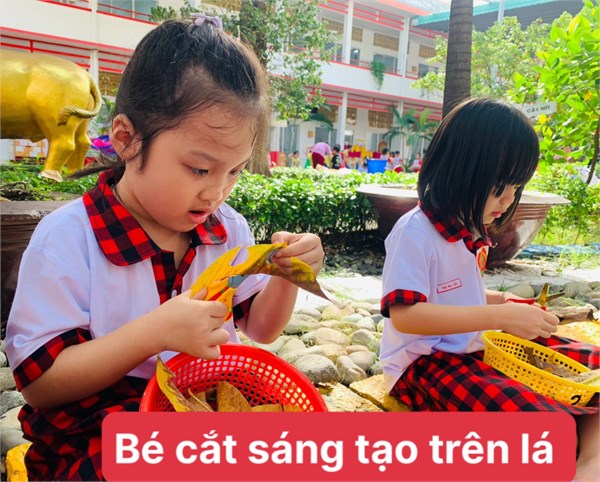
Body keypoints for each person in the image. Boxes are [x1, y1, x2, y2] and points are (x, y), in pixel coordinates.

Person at [5, 16, 324, 481]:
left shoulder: (227, 230)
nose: (217, 192)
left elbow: (261, 327)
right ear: (127, 140)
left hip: (201, 400)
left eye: (235, 171)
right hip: (98, 421)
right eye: (199, 169)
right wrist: (155, 333)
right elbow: (40, 384)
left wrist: (287, 274)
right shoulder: (69, 238)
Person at [379, 97, 598, 481]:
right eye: (499, 186)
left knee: (592, 368)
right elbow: (407, 315)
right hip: (425, 365)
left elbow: (458, 296)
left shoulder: (466, 230)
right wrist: (499, 315)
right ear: (458, 171)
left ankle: (589, 464)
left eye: (516, 186)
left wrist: (506, 302)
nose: (509, 199)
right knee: (544, 426)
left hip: (476, 345)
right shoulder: (415, 233)